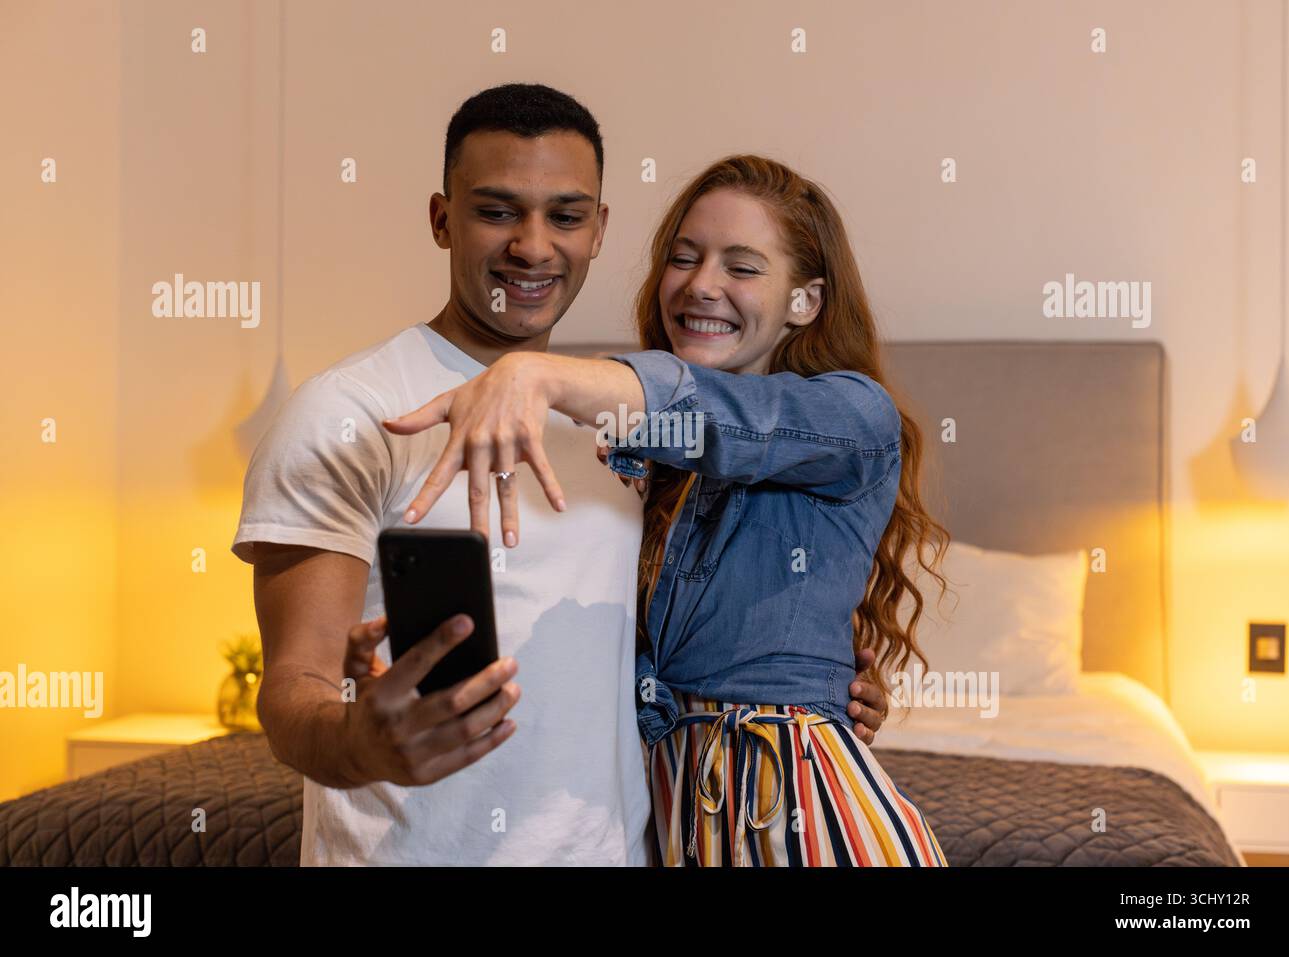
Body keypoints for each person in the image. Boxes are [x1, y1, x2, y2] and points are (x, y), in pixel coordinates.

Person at [232, 84, 887, 865]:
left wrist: (816, 685)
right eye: (498, 211)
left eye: (566, 216)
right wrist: (363, 740)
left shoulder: (621, 426)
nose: (534, 246)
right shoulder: (345, 411)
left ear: (600, 230)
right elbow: (291, 695)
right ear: (442, 219)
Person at [385, 154, 952, 867]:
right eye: (684, 258)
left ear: (805, 301)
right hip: (686, 821)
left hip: (799, 822)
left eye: (741, 267)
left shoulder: (850, 415)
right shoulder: (654, 468)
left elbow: (727, 418)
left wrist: (534, 371)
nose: (701, 284)